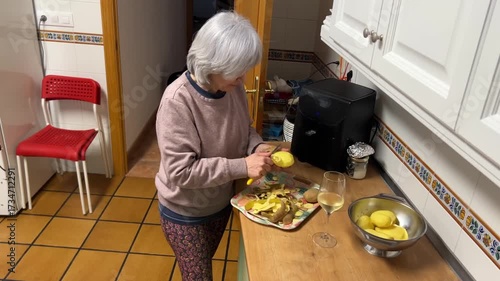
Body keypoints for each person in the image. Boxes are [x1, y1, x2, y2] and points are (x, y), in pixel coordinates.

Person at [155, 11, 278, 281]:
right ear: (213, 62)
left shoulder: (232, 90)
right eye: (237, 70)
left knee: (201, 268)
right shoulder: (177, 100)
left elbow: (243, 129)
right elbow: (181, 172)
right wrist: (243, 166)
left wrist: (256, 147)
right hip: (184, 212)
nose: (243, 79)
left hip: (219, 203)